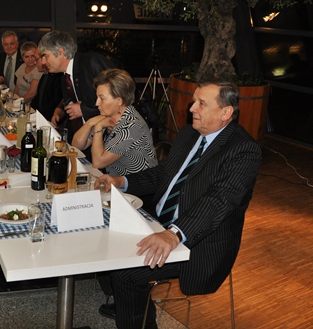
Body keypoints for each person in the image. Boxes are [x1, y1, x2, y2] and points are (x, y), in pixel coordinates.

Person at [95, 80, 262, 329]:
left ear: (226, 112)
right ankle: (128, 302)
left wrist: (173, 234)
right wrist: (122, 181)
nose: (192, 108)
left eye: (201, 104)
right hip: (157, 220)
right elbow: (164, 174)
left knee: (126, 273)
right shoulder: (188, 134)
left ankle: (136, 310)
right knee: (103, 233)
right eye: (194, 101)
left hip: (198, 241)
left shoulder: (243, 150)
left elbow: (218, 201)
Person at [71, 69, 157, 177]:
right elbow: (76, 145)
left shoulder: (132, 125)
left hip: (138, 185)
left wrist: (98, 127)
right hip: (117, 183)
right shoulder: (109, 116)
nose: (97, 103)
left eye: (102, 98)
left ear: (119, 101)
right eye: (97, 97)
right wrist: (90, 122)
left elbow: (98, 162)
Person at [37, 30, 115, 143]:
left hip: (108, 139)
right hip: (83, 139)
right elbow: (72, 102)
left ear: (60, 52)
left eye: (45, 55)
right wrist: (60, 109)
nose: (43, 62)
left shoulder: (91, 63)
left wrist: (83, 109)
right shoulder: (65, 76)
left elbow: (118, 99)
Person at [30, 47, 63, 122]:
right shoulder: (45, 75)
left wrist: (39, 115)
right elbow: (38, 97)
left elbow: (56, 102)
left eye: (36, 59)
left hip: (51, 120)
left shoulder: (58, 76)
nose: (35, 63)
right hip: (40, 117)